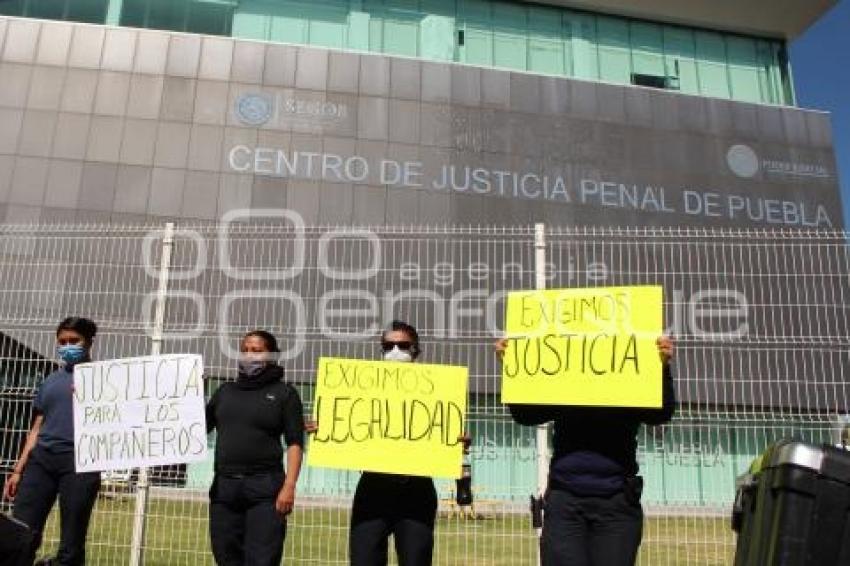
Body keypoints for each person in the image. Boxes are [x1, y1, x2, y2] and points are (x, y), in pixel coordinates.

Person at [496, 335, 676, 566]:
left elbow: (660, 414)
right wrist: (513, 366)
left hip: (617, 501)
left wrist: (661, 367)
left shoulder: (628, 375)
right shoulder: (566, 373)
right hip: (566, 500)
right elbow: (525, 414)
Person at [2, 317, 102, 566]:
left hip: (79, 464)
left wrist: (92, 397)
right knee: (20, 532)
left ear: (89, 342)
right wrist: (18, 470)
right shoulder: (50, 381)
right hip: (41, 462)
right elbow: (36, 428)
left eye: (74, 341)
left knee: (72, 540)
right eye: (62, 342)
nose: (67, 346)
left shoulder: (102, 379)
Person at [346, 320, 442, 566]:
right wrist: (326, 429)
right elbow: (348, 427)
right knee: (364, 559)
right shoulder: (363, 389)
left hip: (416, 490)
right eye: (388, 346)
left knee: (416, 559)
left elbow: (446, 430)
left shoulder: (437, 390)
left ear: (416, 350)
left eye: (402, 345)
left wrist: (456, 441)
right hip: (373, 487)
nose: (395, 351)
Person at [206, 330, 305, 566]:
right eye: (245, 350)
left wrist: (289, 486)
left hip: (266, 489)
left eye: (257, 350)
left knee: (262, 559)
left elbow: (295, 443)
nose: (249, 355)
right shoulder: (224, 392)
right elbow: (196, 429)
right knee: (225, 556)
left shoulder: (285, 394)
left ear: (271, 355)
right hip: (224, 489)